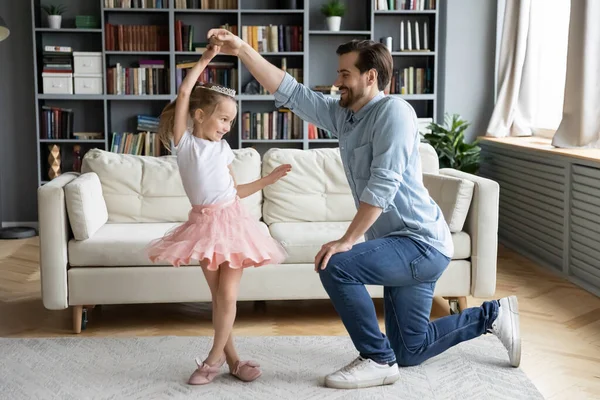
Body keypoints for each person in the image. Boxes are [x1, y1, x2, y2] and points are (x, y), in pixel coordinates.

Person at [207, 29, 521, 390]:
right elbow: (291, 91)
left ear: (370, 77)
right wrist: (242, 49)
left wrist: (348, 239)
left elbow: (383, 184)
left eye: (344, 74)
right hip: (401, 247)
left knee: (336, 264)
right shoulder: (347, 117)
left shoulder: (394, 112)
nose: (336, 81)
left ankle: (375, 359)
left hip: (420, 243)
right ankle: (494, 315)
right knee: (411, 349)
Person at [146, 43, 292, 385]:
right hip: (203, 225)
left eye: (230, 120)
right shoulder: (185, 143)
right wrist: (207, 60)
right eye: (224, 119)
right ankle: (235, 361)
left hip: (235, 222)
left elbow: (233, 191)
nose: (227, 126)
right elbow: (185, 90)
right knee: (219, 299)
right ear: (200, 115)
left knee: (227, 296)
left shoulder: (223, 149)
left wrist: (267, 180)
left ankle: (212, 360)